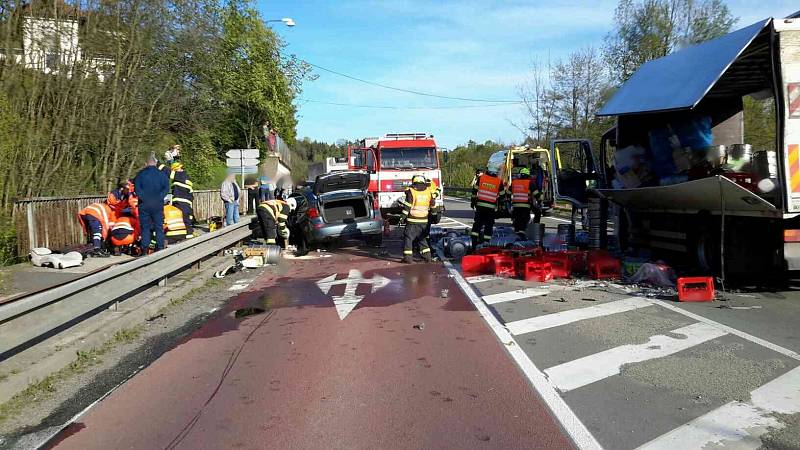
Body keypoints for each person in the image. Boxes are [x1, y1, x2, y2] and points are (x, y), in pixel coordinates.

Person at [133, 153, 170, 254]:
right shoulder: (162, 175)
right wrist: (159, 197)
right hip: (157, 204)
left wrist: (143, 198)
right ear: (156, 163)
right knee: (159, 226)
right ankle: (160, 248)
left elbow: (136, 189)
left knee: (145, 227)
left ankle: (144, 249)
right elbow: (166, 189)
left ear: (146, 164)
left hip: (144, 204)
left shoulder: (140, 175)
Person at [400, 175, 434, 264]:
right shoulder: (428, 191)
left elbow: (407, 206)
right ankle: (427, 257)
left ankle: (407, 258)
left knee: (408, 238)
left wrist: (402, 218)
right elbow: (433, 204)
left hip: (413, 220)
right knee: (421, 238)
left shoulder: (411, 191)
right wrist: (434, 216)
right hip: (424, 220)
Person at [470, 168, 503, 247]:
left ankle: (473, 241)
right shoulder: (499, 181)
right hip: (491, 208)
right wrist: (500, 206)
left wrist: (473, 201)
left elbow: (474, 190)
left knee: (477, 224)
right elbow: (502, 196)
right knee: (489, 225)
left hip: (480, 206)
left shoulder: (481, 178)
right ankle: (486, 242)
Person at [509, 168, 537, 237]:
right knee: (524, 219)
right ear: (528, 175)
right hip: (525, 205)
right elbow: (536, 193)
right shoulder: (530, 183)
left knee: (517, 219)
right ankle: (521, 234)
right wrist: (539, 200)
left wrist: (507, 201)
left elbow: (508, 192)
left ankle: (516, 233)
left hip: (515, 205)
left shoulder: (514, 182)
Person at [168, 162, 194, 236]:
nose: (181, 169)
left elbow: (171, 175)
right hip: (186, 201)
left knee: (183, 218)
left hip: (180, 201)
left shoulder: (179, 176)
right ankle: (187, 234)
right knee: (186, 218)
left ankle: (187, 234)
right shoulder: (185, 176)